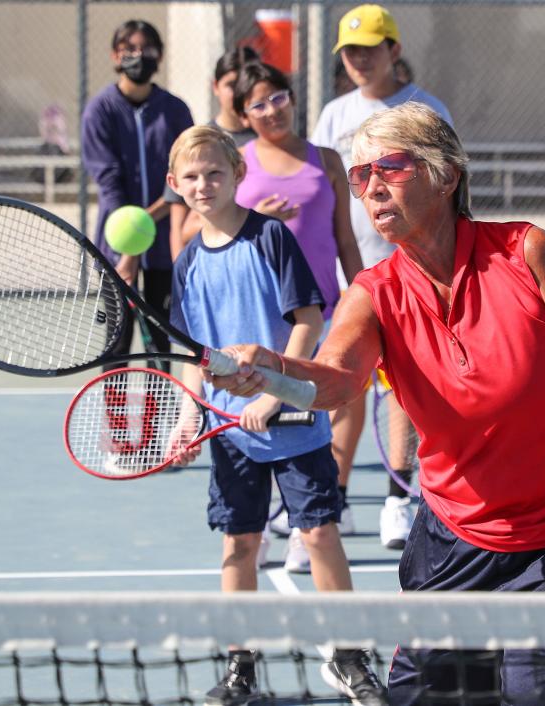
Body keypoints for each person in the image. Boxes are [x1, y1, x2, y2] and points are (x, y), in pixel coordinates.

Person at [207, 102, 545, 704]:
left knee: (537, 694)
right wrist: (272, 369)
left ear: (446, 174)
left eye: (391, 166)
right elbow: (331, 382)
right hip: (456, 539)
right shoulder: (375, 293)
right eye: (360, 176)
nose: (372, 186)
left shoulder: (526, 253)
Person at [165, 125, 387, 706]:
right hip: (231, 434)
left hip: (290, 420)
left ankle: (348, 657)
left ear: (237, 175)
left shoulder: (269, 238)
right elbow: (195, 356)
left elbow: (309, 320)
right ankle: (241, 667)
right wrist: (191, 418)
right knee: (239, 546)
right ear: (175, 185)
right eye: (191, 176)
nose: (203, 184)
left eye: (215, 172)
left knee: (318, 534)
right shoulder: (188, 264)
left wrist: (272, 392)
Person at [311, 3, 454, 551]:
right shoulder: (333, 113)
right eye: (349, 51)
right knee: (343, 385)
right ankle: (337, 495)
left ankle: (398, 496)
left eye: (370, 48)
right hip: (353, 274)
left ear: (394, 50)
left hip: (414, 271)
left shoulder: (426, 110)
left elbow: (448, 189)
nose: (359, 59)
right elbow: (324, 191)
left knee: (405, 388)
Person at [232, 61, 364, 572]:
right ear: (244, 114)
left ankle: (310, 515)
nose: (272, 111)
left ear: (292, 97)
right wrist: (261, 223)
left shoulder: (327, 160)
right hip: (264, 317)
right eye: (258, 104)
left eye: (278, 98)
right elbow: (218, 233)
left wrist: (362, 294)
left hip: (326, 308)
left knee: (333, 405)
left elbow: (345, 239)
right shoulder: (238, 165)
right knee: (266, 417)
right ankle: (263, 522)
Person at [81, 20, 193, 368]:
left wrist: (148, 223)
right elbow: (108, 180)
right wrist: (127, 246)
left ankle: (152, 421)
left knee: (160, 342)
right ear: (115, 55)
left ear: (159, 56)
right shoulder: (100, 110)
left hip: (163, 243)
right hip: (115, 243)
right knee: (116, 340)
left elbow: (183, 172)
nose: (138, 55)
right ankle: (114, 422)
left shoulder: (175, 110)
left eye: (146, 48)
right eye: (129, 48)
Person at [167, 46, 261, 261]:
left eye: (246, 85)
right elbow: (178, 227)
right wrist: (180, 278)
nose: (238, 93)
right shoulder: (197, 142)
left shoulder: (270, 142)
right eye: (231, 85)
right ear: (215, 86)